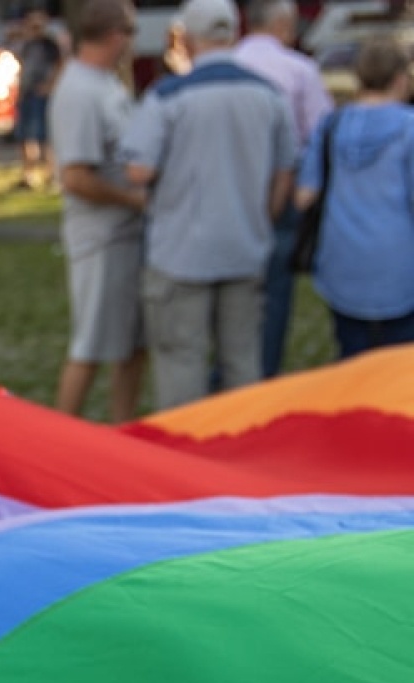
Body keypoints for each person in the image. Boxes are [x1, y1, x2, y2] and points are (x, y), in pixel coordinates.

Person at [122, 0, 294, 411]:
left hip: (180, 250)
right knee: (243, 363)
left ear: (186, 38)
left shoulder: (168, 96)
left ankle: (186, 461)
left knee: (182, 364)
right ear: (234, 34)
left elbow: (138, 171)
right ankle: (242, 456)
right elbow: (285, 171)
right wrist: (262, 217)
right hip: (245, 245)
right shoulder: (269, 95)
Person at [50, 0, 149, 423]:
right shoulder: (79, 91)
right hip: (101, 238)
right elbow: (75, 177)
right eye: (131, 33)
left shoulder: (105, 83)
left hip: (125, 236)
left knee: (131, 345)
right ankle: (60, 434)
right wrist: (132, 199)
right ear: (115, 37)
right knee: (91, 343)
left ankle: (121, 429)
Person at [295, 36, 414, 359]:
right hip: (400, 262)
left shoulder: (331, 125)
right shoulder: (408, 128)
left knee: (352, 359)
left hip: (342, 260)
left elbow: (305, 195)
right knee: (401, 366)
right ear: (400, 79)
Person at [233, 0, 334, 378]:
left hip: (230, 191)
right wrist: (306, 190)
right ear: (283, 25)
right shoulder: (300, 71)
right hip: (284, 189)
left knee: (232, 289)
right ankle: (263, 372)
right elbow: (319, 135)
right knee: (274, 293)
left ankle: (229, 370)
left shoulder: (230, 65)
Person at [13, 6, 64, 189]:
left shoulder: (49, 45)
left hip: (40, 95)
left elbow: (60, 65)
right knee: (24, 136)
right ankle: (28, 175)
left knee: (44, 135)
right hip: (26, 94)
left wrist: (49, 86)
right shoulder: (26, 44)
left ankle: (52, 174)